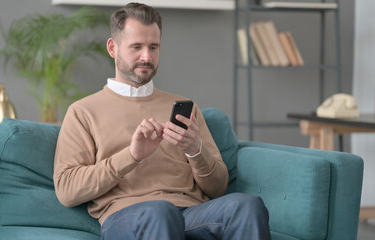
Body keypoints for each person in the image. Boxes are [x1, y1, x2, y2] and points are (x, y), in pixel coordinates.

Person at [53, 2, 271, 240]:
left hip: (191, 213)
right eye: (136, 47)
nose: (146, 56)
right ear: (112, 48)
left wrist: (195, 151)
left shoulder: (186, 107)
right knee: (160, 212)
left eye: (153, 47)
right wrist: (132, 155)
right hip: (129, 216)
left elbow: (218, 187)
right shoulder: (83, 112)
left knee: (246, 206)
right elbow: (67, 189)